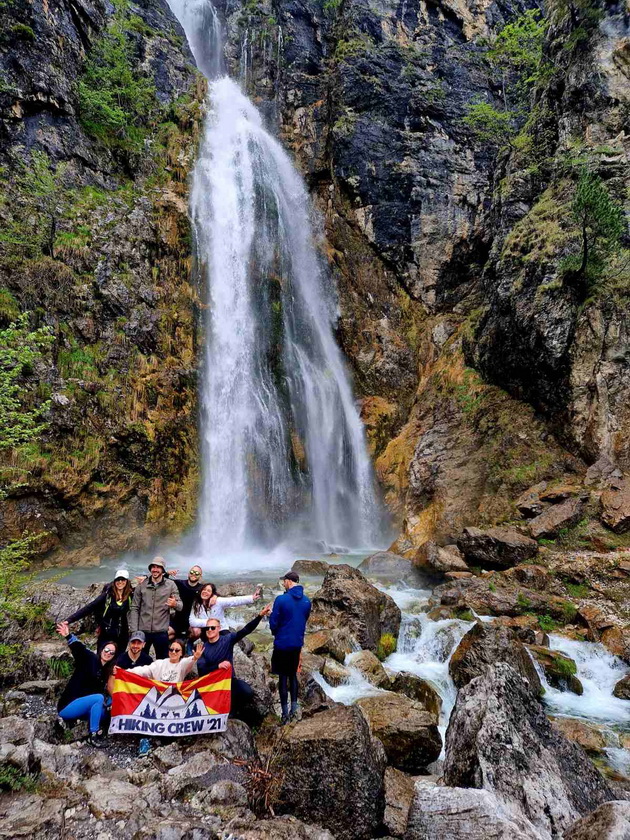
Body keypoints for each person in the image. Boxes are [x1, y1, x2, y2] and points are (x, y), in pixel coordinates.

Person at [196, 604, 272, 718]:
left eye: (213, 627)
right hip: (212, 685)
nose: (210, 630)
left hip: (228, 681)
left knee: (247, 692)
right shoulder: (203, 648)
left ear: (219, 628)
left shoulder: (227, 639)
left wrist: (259, 616)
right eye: (207, 628)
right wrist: (217, 666)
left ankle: (233, 711)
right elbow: (202, 671)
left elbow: (245, 630)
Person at [56, 620, 117, 747]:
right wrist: (68, 635)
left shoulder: (105, 672)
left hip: (83, 707)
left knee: (108, 708)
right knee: (98, 698)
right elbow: (79, 649)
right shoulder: (90, 658)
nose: (108, 653)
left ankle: (97, 729)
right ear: (101, 649)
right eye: (107, 649)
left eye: (112, 652)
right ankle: (93, 735)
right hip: (68, 706)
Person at [269, 571, 311, 724]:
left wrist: (275, 631)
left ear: (287, 582)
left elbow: (274, 623)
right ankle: (294, 709)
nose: (283, 584)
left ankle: (285, 714)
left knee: (282, 677)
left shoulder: (281, 599)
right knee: (293, 675)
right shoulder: (307, 601)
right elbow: (303, 620)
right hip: (297, 643)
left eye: (284, 582)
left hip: (282, 643)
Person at [64, 569, 133, 653]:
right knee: (102, 658)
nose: (120, 582)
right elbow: (90, 607)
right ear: (114, 581)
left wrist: (146, 577)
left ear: (127, 581)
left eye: (123, 579)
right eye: (118, 579)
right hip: (107, 632)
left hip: (122, 634)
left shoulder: (131, 595)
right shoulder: (108, 595)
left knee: (118, 661)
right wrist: (69, 620)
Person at [128, 557, 182, 659]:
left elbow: (180, 606)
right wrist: (134, 630)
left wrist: (174, 604)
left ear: (163, 570)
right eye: (153, 567)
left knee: (162, 662)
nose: (155, 569)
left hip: (161, 631)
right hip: (142, 631)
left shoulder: (170, 585)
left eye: (158, 567)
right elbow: (134, 607)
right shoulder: (142, 584)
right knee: (140, 660)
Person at [116, 637, 203, 683]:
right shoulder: (159, 663)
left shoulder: (182, 665)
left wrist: (195, 657)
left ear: (181, 653)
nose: (173, 652)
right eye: (171, 649)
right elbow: (143, 670)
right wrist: (124, 672)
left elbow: (189, 661)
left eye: (177, 650)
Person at [189, 582, 262, 630]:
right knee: (195, 630)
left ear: (212, 594)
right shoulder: (196, 604)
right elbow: (192, 621)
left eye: (208, 591)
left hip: (221, 629)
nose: (205, 592)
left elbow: (234, 601)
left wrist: (251, 598)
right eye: (204, 590)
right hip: (207, 629)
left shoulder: (218, 601)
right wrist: (210, 622)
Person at [167, 565, 205, 637]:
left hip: (192, 622)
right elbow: (163, 580)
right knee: (164, 635)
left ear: (200, 576)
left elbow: (213, 593)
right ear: (188, 573)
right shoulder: (180, 583)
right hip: (177, 620)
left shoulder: (202, 589)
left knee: (197, 632)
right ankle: (177, 636)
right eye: (192, 572)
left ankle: (186, 639)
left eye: (197, 573)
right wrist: (167, 573)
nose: (193, 574)